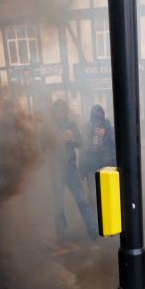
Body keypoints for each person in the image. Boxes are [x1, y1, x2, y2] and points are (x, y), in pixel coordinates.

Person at [49, 99, 98, 241]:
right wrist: (56, 141)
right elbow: (41, 147)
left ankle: (92, 228)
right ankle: (61, 232)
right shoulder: (48, 127)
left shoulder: (70, 125)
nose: (61, 114)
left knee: (81, 200)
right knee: (58, 204)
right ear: (54, 112)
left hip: (70, 168)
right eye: (58, 111)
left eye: (63, 111)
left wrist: (73, 139)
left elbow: (81, 142)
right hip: (55, 169)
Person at [79, 104, 116, 210]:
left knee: (107, 193)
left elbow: (116, 143)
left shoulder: (108, 125)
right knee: (92, 196)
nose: (97, 121)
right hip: (91, 165)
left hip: (107, 164)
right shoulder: (87, 127)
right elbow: (83, 148)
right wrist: (81, 169)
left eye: (100, 117)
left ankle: (107, 216)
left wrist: (106, 133)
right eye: (95, 117)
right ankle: (96, 219)